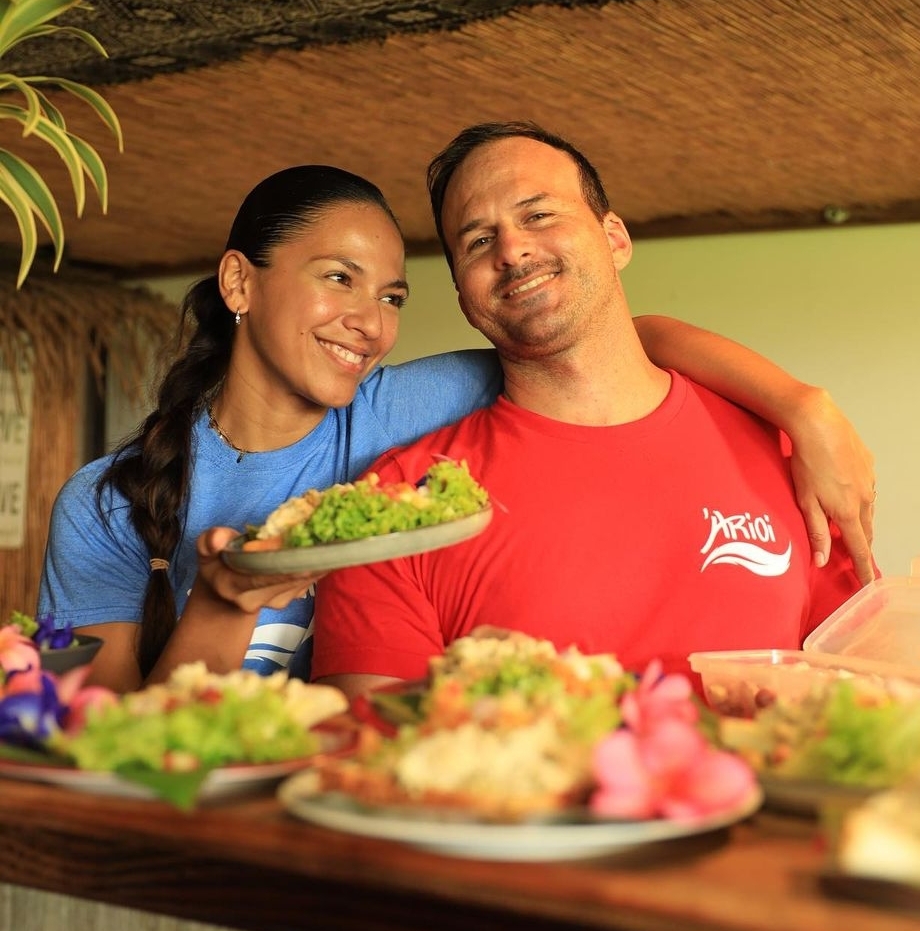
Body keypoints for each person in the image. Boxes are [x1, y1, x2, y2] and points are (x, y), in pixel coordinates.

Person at [38, 162, 873, 694]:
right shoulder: (104, 505)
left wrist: (804, 405)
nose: (367, 322)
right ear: (239, 283)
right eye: (339, 279)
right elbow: (109, 750)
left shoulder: (398, 409)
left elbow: (605, 334)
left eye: (393, 298)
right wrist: (224, 600)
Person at [311, 123, 877, 698]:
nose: (512, 249)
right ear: (461, 290)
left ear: (615, 239)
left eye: (538, 215)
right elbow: (371, 747)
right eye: (478, 241)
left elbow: (866, 688)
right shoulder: (397, 506)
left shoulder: (789, 451)